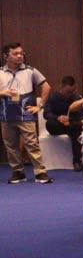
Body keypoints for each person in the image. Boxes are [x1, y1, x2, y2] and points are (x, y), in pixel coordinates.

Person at [1, 42, 51, 184]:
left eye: (21, 53)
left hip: (25, 113)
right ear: (6, 56)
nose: (20, 56)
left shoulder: (30, 71)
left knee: (32, 143)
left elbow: (46, 87)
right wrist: (2, 93)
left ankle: (40, 172)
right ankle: (18, 172)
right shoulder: (0, 72)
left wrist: (40, 106)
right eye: (15, 53)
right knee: (11, 145)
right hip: (6, 114)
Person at [43, 76, 83, 171]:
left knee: (77, 128)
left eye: (72, 92)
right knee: (49, 123)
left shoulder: (76, 97)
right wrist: (58, 118)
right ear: (62, 87)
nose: (69, 94)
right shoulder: (53, 97)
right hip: (57, 125)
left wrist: (69, 120)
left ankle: (77, 161)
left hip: (71, 125)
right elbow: (46, 113)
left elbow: (81, 115)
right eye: (68, 92)